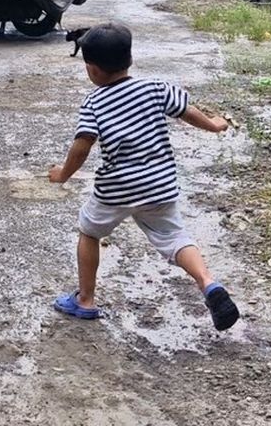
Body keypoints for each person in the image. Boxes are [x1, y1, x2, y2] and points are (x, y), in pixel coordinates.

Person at [47, 23, 240, 331]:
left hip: (117, 189)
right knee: (176, 238)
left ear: (92, 69)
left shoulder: (94, 103)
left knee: (90, 232)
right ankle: (208, 283)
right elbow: (187, 111)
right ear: (130, 59)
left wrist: (63, 175)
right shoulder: (155, 88)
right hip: (159, 185)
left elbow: (82, 146)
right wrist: (215, 125)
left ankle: (85, 300)